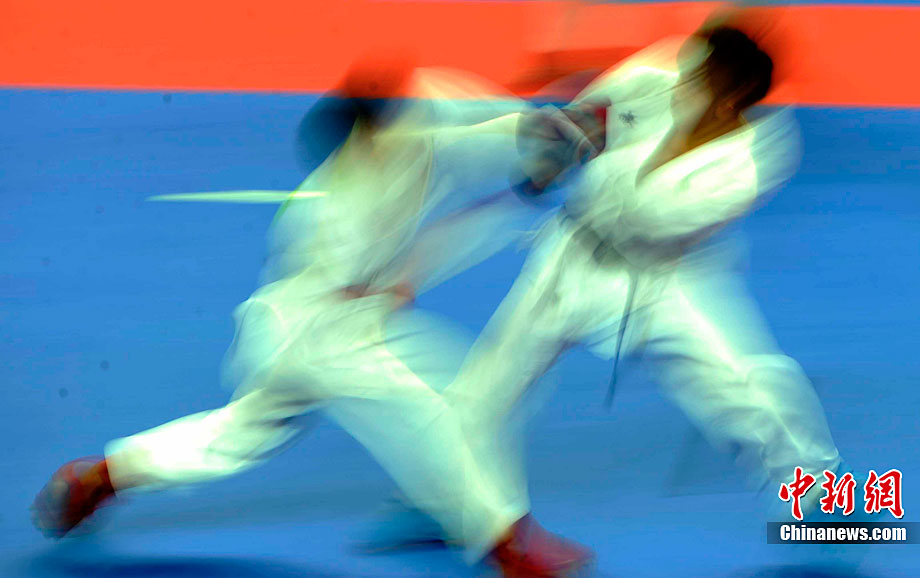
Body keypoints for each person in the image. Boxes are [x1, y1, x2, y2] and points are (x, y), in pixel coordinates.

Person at [31, 61, 595, 576]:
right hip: (329, 335)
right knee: (448, 410)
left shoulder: (415, 121)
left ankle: (103, 475)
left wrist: (542, 129)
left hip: (287, 328)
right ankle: (505, 543)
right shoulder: (345, 201)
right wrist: (528, 181)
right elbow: (409, 263)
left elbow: (481, 129)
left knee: (233, 436)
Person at [441, 23, 844, 526]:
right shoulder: (661, 73)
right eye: (695, 68)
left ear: (731, 98)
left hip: (663, 279)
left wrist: (594, 158)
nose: (686, 79)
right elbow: (588, 115)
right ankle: (447, 497)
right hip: (571, 256)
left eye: (704, 77)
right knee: (485, 386)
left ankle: (819, 498)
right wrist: (556, 149)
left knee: (746, 383)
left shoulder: (755, 160)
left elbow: (650, 219)